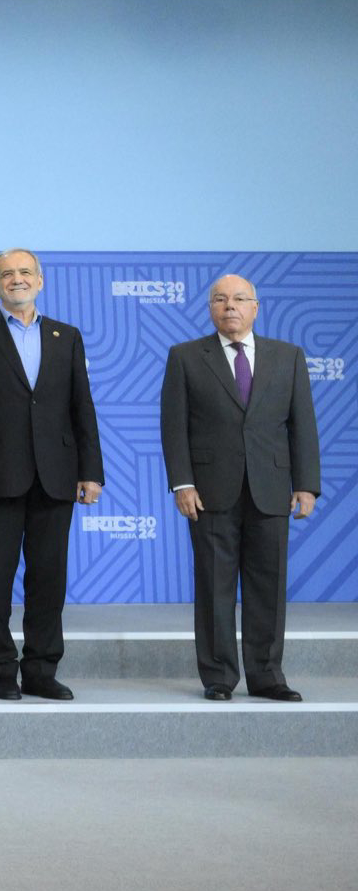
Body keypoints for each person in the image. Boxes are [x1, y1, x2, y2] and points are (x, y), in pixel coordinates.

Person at [0, 249, 104, 701]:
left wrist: (91, 471)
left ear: (40, 280)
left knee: (49, 579)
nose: (17, 279)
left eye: (25, 272)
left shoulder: (67, 336)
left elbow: (82, 408)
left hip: (57, 476)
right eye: (7, 274)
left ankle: (41, 670)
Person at [160, 274, 321, 702]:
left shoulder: (288, 356)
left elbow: (302, 424)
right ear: (210, 309)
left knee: (268, 585)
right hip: (209, 491)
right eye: (220, 299)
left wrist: (306, 485)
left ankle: (267, 676)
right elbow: (173, 427)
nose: (229, 306)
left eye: (239, 299)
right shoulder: (185, 357)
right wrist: (182, 483)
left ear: (255, 307)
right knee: (214, 586)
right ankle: (218, 676)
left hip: (271, 488)